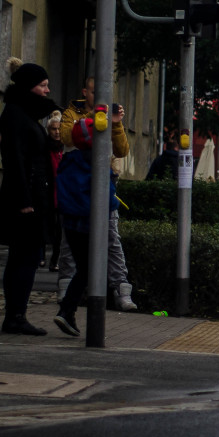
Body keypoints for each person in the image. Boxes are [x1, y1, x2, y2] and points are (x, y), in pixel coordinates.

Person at [57, 77, 136, 311]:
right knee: (70, 240)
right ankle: (65, 288)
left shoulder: (109, 115)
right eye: (94, 92)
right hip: (77, 182)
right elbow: (70, 136)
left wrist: (117, 124)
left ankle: (121, 289)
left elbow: (122, 149)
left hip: (103, 179)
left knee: (111, 238)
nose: (99, 97)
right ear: (85, 92)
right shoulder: (72, 112)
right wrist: (99, 118)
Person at [0, 58, 60, 336]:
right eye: (42, 85)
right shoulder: (16, 115)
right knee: (24, 257)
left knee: (28, 257)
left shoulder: (26, 114)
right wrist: (24, 201)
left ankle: (17, 314)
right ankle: (15, 316)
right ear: (30, 86)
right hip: (25, 199)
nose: (47, 91)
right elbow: (16, 161)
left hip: (34, 196)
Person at [53, 118, 118, 336]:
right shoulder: (98, 163)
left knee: (84, 267)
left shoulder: (69, 159)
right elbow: (107, 198)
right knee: (91, 269)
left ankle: (67, 311)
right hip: (91, 223)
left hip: (70, 222)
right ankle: (68, 310)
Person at [45, 110, 64, 271]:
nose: (57, 132)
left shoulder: (65, 148)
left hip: (61, 193)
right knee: (45, 225)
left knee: (59, 230)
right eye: (53, 129)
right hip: (47, 191)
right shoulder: (44, 148)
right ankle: (40, 256)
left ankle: (55, 259)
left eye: (59, 129)